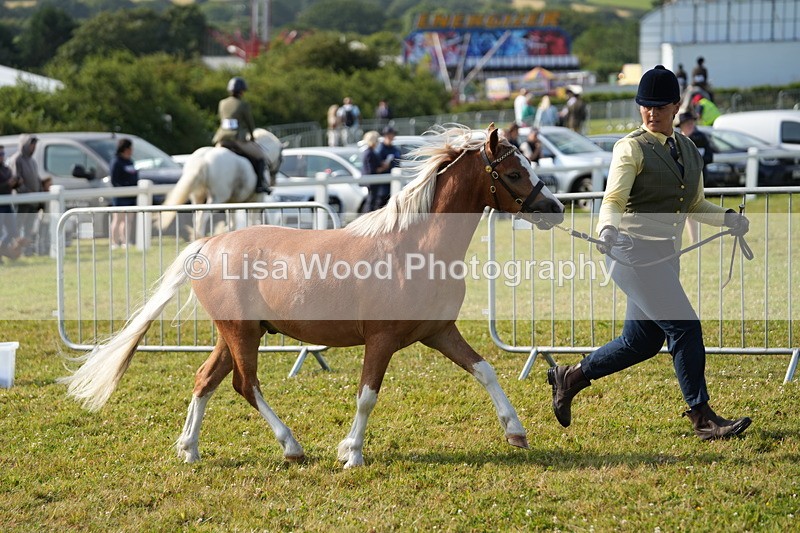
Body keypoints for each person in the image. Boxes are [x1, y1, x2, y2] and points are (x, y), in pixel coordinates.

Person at [547, 65, 753, 441]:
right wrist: (607, 230)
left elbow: (693, 204)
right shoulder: (630, 148)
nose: (651, 113)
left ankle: (569, 377)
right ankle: (702, 417)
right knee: (684, 327)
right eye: (645, 106)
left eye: (659, 106)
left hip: (664, 257)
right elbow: (613, 199)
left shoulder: (689, 150)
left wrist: (727, 219)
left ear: (676, 106)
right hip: (630, 253)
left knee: (640, 341)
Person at [212, 76, 269, 193]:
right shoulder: (243, 104)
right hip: (236, 139)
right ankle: (259, 185)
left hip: (221, 138)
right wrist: (252, 137)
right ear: (242, 91)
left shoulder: (222, 103)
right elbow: (249, 123)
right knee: (261, 157)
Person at [677, 111, 713, 243]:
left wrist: (697, 161)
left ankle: (695, 239)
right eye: (688, 123)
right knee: (686, 210)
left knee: (694, 208)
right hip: (682, 180)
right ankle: (693, 239)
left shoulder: (701, 138)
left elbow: (710, 156)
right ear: (681, 126)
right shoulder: (675, 140)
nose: (691, 125)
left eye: (692, 123)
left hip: (699, 178)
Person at [8, 134, 44, 256]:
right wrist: (26, 192)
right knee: (17, 227)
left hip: (33, 201)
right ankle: (14, 251)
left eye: (34, 145)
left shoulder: (32, 161)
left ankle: (27, 251)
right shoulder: (17, 159)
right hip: (21, 201)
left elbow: (36, 179)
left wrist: (40, 192)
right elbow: (16, 180)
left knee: (29, 227)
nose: (33, 147)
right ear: (25, 145)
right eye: (31, 144)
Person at [109, 138, 139, 248]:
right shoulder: (116, 161)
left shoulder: (130, 161)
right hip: (120, 196)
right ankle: (114, 242)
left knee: (128, 220)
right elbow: (114, 180)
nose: (132, 150)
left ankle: (125, 241)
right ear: (125, 149)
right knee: (118, 219)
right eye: (130, 148)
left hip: (131, 196)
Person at [367, 126, 402, 211]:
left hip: (393, 182)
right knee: (380, 206)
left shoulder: (395, 149)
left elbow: (398, 163)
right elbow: (377, 166)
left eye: (392, 135)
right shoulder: (380, 149)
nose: (391, 137)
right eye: (389, 135)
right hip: (382, 185)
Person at [0, 145, 24, 262]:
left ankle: (2, 247)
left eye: (3, 154)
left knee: (12, 231)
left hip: (7, 204)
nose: (2, 156)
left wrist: (17, 183)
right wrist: (7, 184)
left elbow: (11, 186)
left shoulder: (6, 169)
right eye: (0, 154)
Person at [361, 130, 383, 212]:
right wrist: (382, 168)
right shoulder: (369, 153)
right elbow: (371, 170)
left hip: (371, 181)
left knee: (372, 201)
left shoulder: (369, 152)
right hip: (371, 182)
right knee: (371, 202)